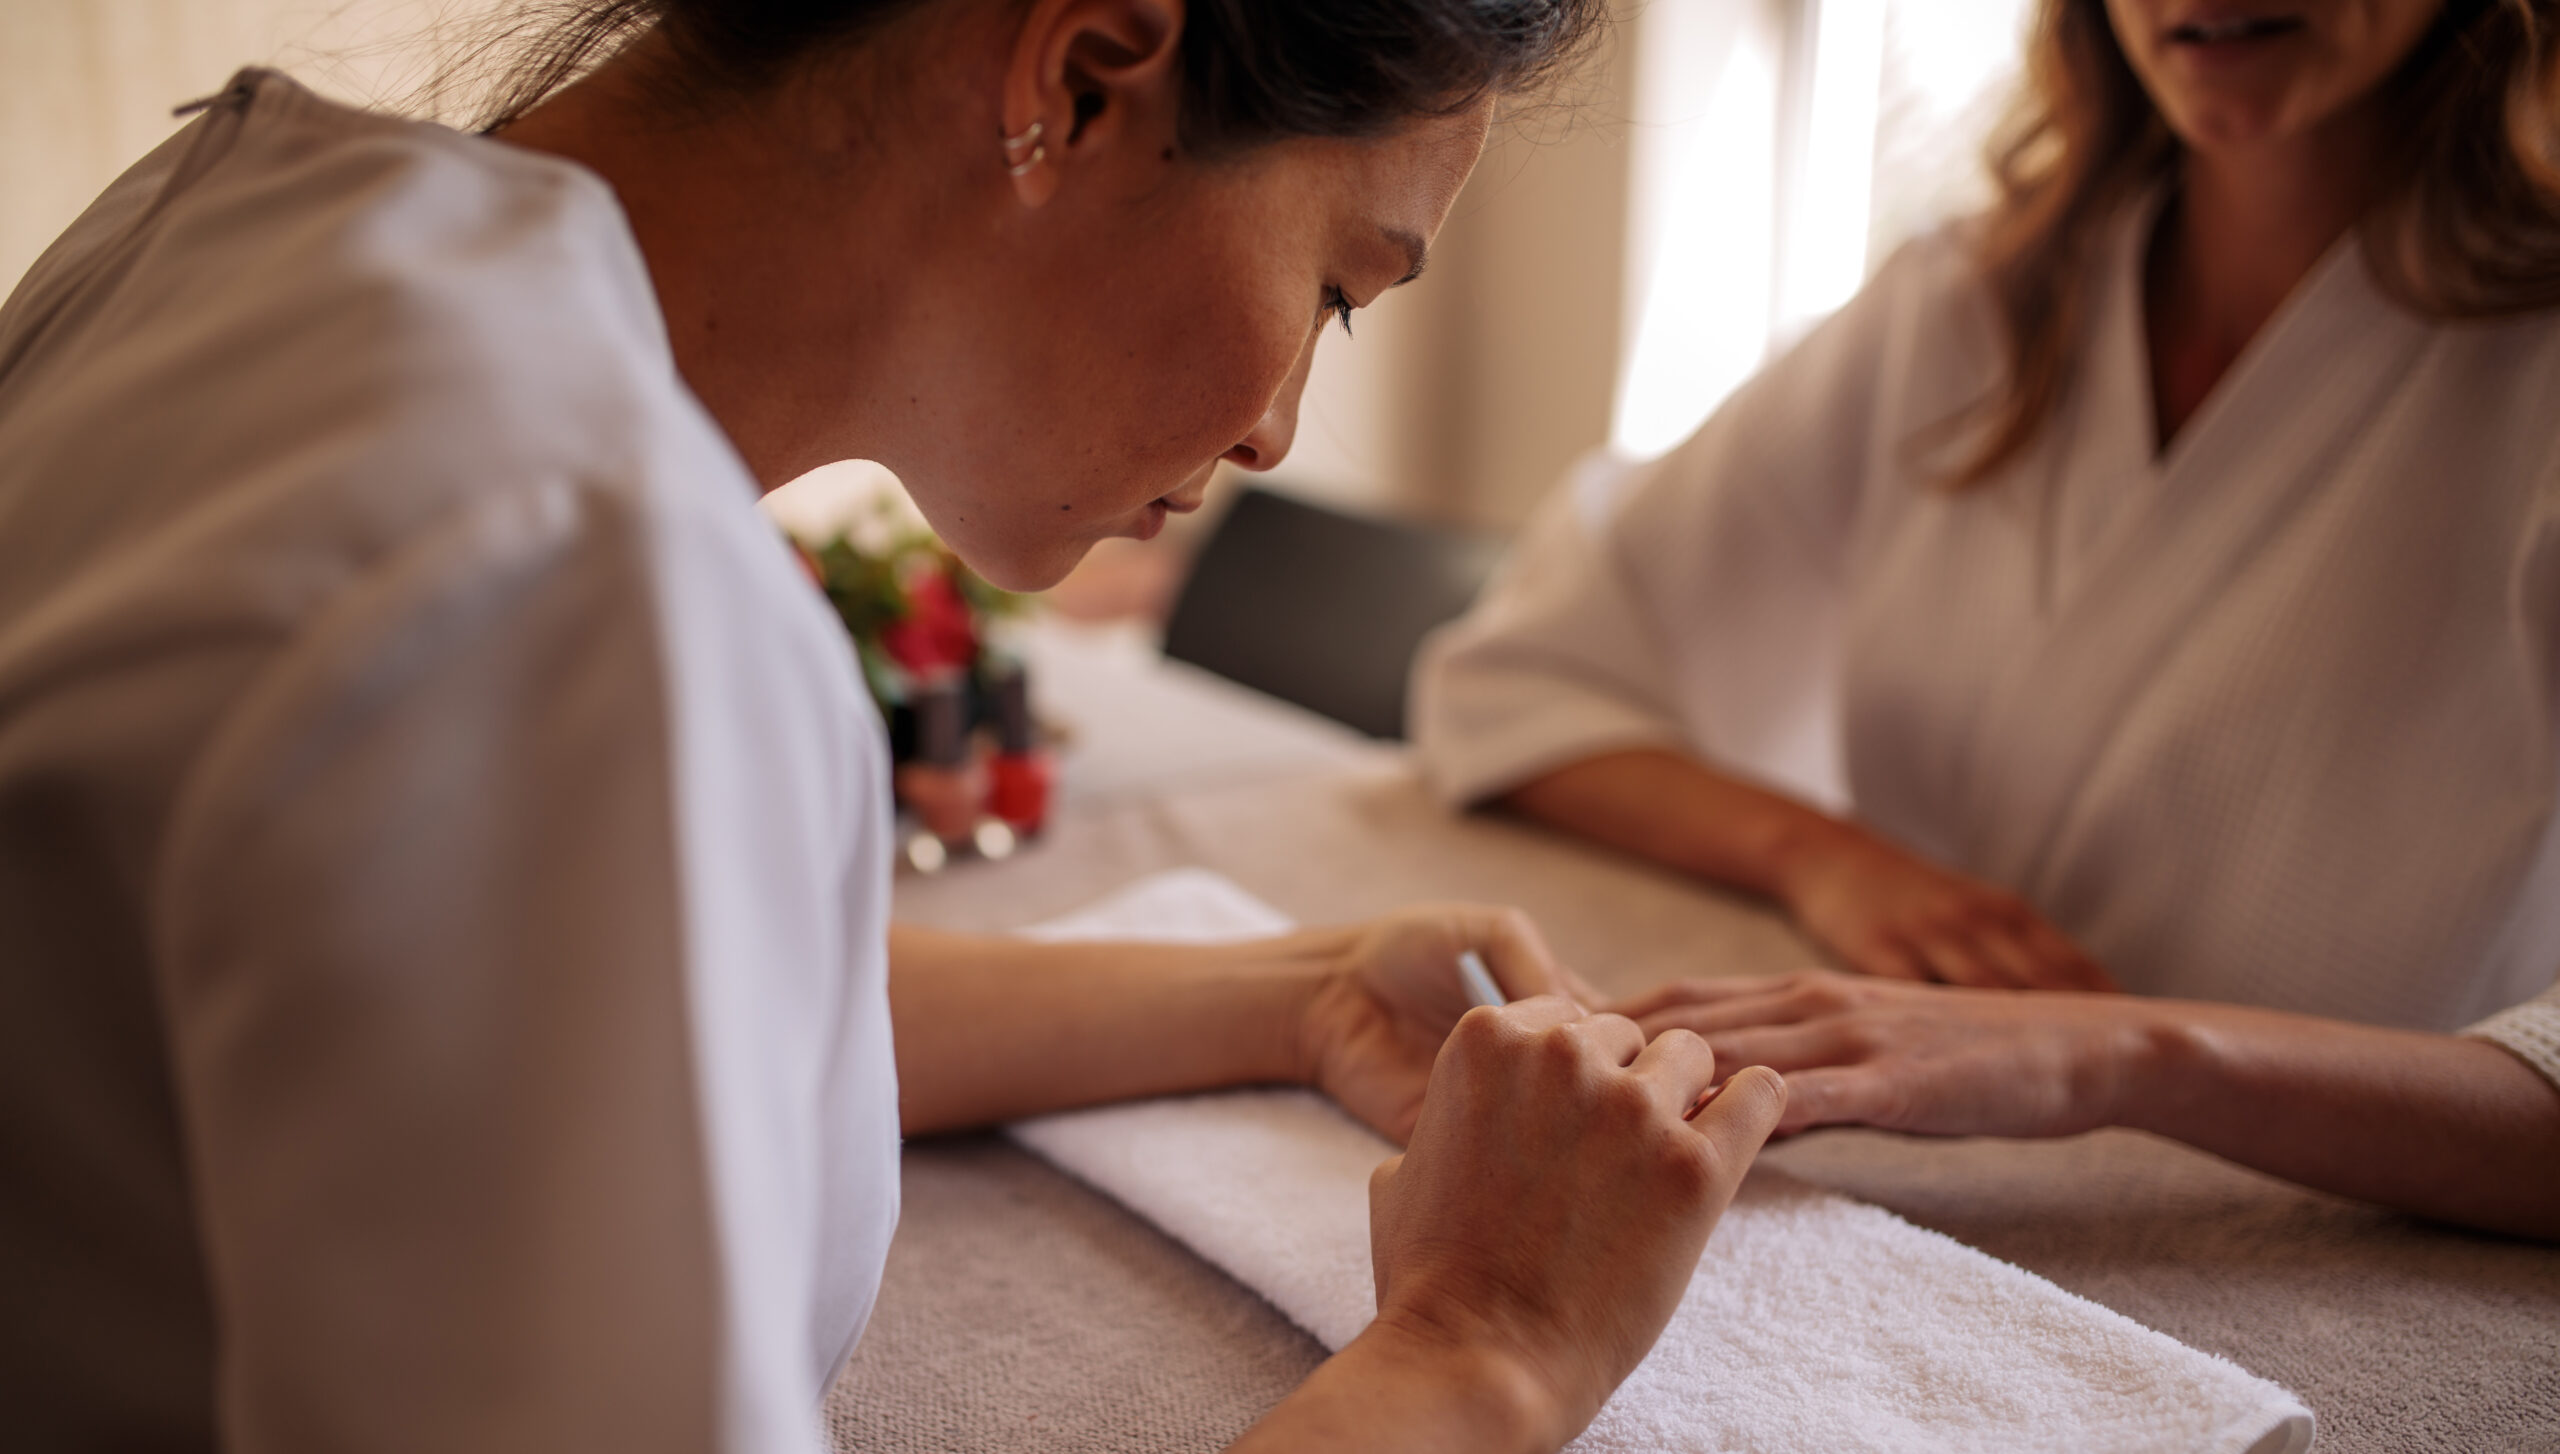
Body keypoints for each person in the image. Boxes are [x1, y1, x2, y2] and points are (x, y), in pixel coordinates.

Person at [0, 2, 1793, 1450]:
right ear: (1082, 78)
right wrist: (1491, 1347)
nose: (1277, 431)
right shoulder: (581, 576)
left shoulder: (226, 205)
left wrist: (1301, 990)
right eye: (1335, 283)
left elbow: (546, 989)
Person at [1413, 0, 2560, 1240]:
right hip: (1891, 1193)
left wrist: (2118, 1054)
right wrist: (1828, 856)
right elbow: (1516, 677)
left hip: (2326, 1265)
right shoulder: (1962, 301)